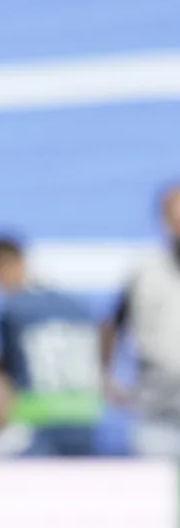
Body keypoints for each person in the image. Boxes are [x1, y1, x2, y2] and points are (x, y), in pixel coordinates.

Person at [0, 236, 101, 456]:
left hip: (38, 420)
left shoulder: (12, 311)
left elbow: (9, 370)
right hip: (86, 416)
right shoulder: (77, 308)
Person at [102, 182, 180, 458]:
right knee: (157, 485)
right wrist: (107, 378)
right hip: (155, 402)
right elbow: (113, 324)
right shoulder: (145, 271)